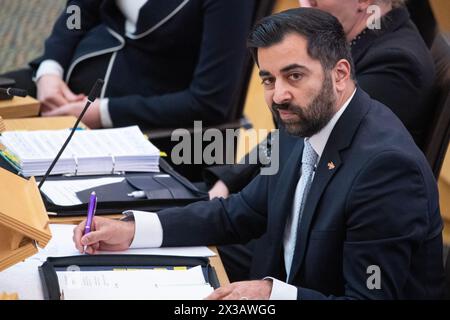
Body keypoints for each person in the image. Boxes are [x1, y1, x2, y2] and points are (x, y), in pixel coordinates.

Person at [73, 8, 445, 299]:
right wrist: (133, 231)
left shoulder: (385, 169)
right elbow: (241, 214)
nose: (278, 95)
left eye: (294, 75)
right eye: (268, 79)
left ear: (340, 73)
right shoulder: (301, 121)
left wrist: (269, 293)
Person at [206, 0, 435, 199]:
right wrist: (229, 181)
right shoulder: (357, 38)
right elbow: (291, 137)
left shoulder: (395, 62)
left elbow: (308, 141)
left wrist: (233, 191)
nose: (305, 4)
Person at [2, 0, 254, 130]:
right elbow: (78, 12)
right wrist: (50, 69)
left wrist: (104, 114)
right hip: (64, 83)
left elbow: (209, 102)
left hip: (138, 126)